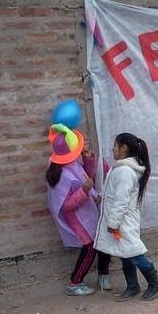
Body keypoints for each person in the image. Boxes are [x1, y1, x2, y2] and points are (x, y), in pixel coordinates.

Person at [94, 133, 158, 301]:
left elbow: (121, 200)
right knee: (124, 252)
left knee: (133, 252)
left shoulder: (125, 171)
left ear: (124, 148)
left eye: (115, 145)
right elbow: (113, 193)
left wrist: (113, 222)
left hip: (122, 220)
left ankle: (155, 282)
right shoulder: (120, 168)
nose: (113, 149)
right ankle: (132, 286)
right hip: (120, 219)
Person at [45, 124, 112, 296]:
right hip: (77, 218)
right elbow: (65, 205)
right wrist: (84, 191)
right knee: (89, 248)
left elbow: (85, 177)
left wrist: (88, 160)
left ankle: (101, 274)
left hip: (86, 213)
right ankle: (75, 283)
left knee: (99, 241)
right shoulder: (62, 175)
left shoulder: (69, 164)